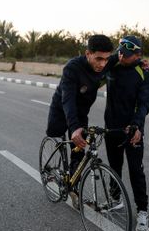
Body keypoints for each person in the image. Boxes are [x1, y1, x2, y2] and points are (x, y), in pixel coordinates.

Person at [46, 34, 118, 207]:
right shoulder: (72, 68)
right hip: (62, 109)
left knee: (78, 151)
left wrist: (142, 63)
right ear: (88, 54)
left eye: (106, 59)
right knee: (59, 137)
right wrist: (74, 127)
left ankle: (73, 186)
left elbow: (124, 54)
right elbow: (68, 99)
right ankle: (52, 170)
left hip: (81, 113)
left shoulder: (107, 62)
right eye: (98, 58)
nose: (102, 64)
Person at [104, 36, 149, 231]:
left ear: (138, 55)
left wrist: (136, 126)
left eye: (127, 54)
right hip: (111, 128)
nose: (122, 55)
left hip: (132, 130)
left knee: (136, 171)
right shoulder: (112, 65)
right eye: (120, 51)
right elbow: (93, 69)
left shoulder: (145, 73)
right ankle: (115, 200)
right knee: (114, 167)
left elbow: (143, 105)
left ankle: (142, 211)